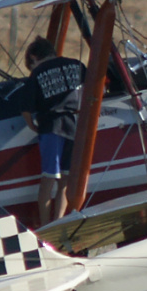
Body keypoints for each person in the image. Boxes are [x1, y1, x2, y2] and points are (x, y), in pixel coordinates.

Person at [21, 38, 86, 226]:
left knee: (49, 179)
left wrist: (32, 125)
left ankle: (45, 225)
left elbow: (25, 107)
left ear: (34, 57)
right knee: (66, 179)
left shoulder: (37, 73)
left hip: (51, 126)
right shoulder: (75, 64)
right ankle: (59, 222)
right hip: (74, 124)